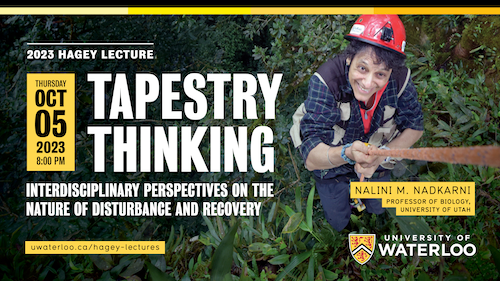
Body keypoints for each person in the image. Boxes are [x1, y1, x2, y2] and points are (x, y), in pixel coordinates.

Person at [290, 14, 424, 231]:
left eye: (380, 74)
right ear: (349, 58)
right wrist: (347, 154)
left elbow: (415, 126)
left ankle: (375, 224)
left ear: (391, 71)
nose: (369, 83)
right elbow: (312, 158)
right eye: (362, 68)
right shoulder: (326, 82)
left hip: (377, 158)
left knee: (379, 206)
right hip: (332, 166)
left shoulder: (400, 79)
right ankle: (344, 233)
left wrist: (378, 158)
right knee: (338, 217)